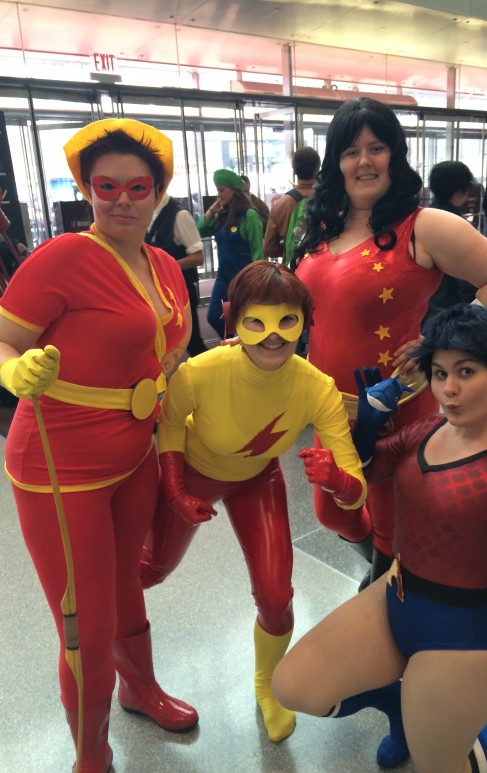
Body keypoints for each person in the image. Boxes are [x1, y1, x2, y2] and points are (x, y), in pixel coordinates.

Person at [272, 303, 487, 773]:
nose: (449, 389)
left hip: (459, 637)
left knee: (438, 766)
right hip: (395, 595)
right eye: (439, 373)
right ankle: (403, 710)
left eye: (466, 371)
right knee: (294, 686)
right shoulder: (429, 429)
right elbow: (372, 469)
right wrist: (368, 423)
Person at [0, 118, 199, 772]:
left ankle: (140, 689)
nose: (121, 200)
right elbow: (4, 337)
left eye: (137, 187)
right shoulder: (63, 256)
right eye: (105, 185)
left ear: (158, 193)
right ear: (86, 189)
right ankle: (91, 752)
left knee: (124, 588)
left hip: (135, 453)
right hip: (60, 466)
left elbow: (170, 350)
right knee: (84, 623)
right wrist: (12, 371)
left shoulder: (164, 264)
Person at [139, 260, 378, 744]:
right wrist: (176, 489)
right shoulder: (201, 371)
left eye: (287, 320)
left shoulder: (317, 387)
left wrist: (337, 482)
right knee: (148, 570)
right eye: (257, 321)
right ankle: (118, 658)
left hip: (256, 479)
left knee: (275, 596)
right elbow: (170, 423)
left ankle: (267, 685)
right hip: (192, 473)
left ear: (305, 323)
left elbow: (356, 482)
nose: (272, 335)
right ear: (235, 321)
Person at [293, 96, 487, 583]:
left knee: (390, 525)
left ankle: (387, 590)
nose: (364, 161)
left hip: (394, 409)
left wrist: (439, 345)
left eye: (376, 148)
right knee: (333, 511)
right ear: (336, 162)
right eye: (351, 151)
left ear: (395, 156)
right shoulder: (323, 226)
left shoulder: (422, 225)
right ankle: (388, 576)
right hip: (329, 407)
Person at [197, 169, 264, 338]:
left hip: (244, 279)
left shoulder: (250, 216)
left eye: (221, 190)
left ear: (234, 191)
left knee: (245, 321)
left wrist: (258, 284)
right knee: (214, 316)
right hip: (224, 276)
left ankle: (242, 346)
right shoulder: (221, 215)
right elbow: (198, 231)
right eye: (217, 190)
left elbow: (258, 252)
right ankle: (230, 343)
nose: (218, 195)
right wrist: (212, 211)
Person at [146, 191, 208, 356]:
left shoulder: (180, 215)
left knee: (191, 341)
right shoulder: (147, 214)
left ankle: (215, 371)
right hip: (157, 289)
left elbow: (198, 257)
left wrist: (166, 266)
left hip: (180, 289)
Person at [421, 160, 477, 328]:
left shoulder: (419, 219)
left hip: (422, 304)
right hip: (450, 308)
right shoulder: (457, 225)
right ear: (459, 191)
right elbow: (466, 276)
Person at [263, 146, 321, 262]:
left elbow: (269, 248)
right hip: (322, 266)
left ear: (294, 170)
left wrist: (289, 248)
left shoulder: (280, 205)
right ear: (318, 168)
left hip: (292, 268)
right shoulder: (328, 200)